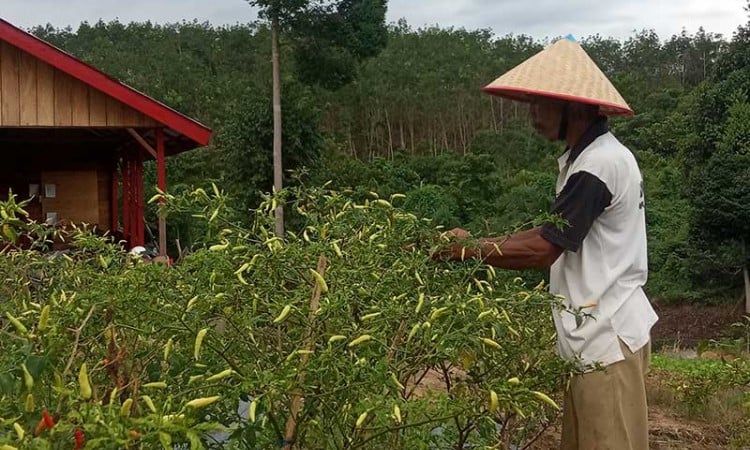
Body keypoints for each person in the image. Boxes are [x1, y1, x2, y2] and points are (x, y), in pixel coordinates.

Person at [434, 38, 659, 450]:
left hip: (606, 341)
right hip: (593, 339)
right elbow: (550, 232)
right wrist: (474, 242)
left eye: (539, 104)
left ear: (573, 107)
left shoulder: (598, 166)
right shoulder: (586, 159)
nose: (532, 115)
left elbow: (543, 249)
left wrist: (465, 250)